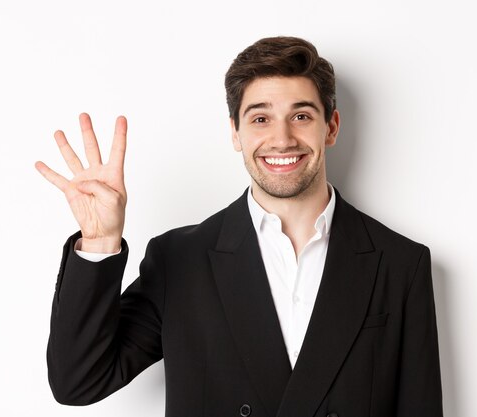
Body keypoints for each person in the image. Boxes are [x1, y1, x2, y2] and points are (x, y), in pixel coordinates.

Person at [36, 36, 443, 417]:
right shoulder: (180, 261)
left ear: (331, 127)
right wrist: (99, 241)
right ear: (235, 132)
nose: (282, 139)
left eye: (301, 115)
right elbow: (78, 381)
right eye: (260, 118)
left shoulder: (400, 264)